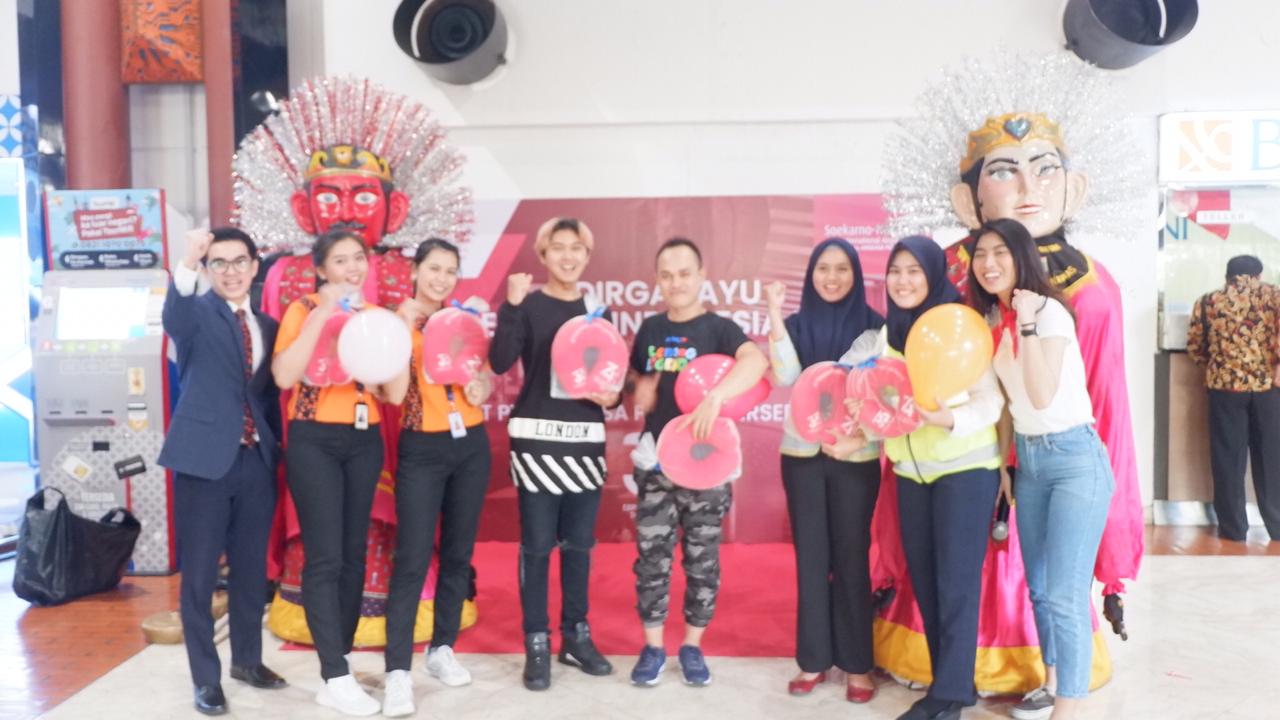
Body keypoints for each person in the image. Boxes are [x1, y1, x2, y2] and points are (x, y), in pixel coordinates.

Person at [968, 218, 1115, 719]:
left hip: (1076, 460)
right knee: (1039, 584)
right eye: (981, 254)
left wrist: (1027, 321)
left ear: (1022, 258)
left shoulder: (1047, 312)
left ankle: (1068, 709)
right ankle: (1053, 682)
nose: (988, 264)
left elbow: (1041, 392)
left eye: (1001, 254)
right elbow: (1009, 405)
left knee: (1065, 592)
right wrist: (1005, 464)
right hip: (1029, 462)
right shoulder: (992, 321)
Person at [271, 228, 410, 716]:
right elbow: (285, 377)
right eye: (341, 260)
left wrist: (398, 340)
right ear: (321, 268)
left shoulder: (376, 317)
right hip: (313, 440)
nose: (352, 268)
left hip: (363, 439)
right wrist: (326, 315)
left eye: (359, 259)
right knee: (325, 557)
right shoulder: (303, 310)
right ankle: (332, 671)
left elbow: (393, 393)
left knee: (353, 556)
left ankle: (341, 665)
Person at [627, 237, 769, 688]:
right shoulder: (649, 329)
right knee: (652, 561)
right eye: (666, 275)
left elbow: (756, 361)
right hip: (656, 467)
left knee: (701, 562)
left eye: (684, 273)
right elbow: (635, 378)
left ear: (702, 276)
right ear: (657, 280)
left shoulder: (720, 329)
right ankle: (652, 648)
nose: (676, 283)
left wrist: (717, 394)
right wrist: (638, 389)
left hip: (707, 468)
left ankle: (692, 645)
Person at [159, 227, 286, 716]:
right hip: (203, 461)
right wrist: (188, 261)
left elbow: (267, 395)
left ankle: (248, 662)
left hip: (255, 461)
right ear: (209, 269)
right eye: (220, 263)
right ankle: (206, 680)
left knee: (253, 572)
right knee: (200, 576)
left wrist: (274, 451)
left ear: (255, 267)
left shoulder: (269, 326)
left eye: (239, 262)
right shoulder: (194, 314)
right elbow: (174, 312)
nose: (230, 271)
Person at [877, 237, 1004, 720]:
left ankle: (947, 696)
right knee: (927, 584)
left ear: (934, 273)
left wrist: (945, 421)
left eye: (914, 270)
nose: (904, 280)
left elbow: (989, 402)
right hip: (912, 474)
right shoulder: (885, 333)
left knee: (956, 584)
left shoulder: (959, 324)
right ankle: (953, 684)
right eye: (895, 271)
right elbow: (879, 398)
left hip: (965, 471)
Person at [489, 217, 617, 691]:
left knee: (580, 545)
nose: (567, 256)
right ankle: (537, 641)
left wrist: (613, 397)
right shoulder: (528, 305)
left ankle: (576, 637)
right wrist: (511, 306)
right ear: (542, 257)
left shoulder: (597, 312)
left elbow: (609, 379)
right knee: (538, 546)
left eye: (576, 248)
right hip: (538, 439)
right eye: (557, 248)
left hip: (584, 440)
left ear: (587, 256)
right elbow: (500, 360)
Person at [764, 238, 883, 703]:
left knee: (852, 559)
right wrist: (774, 314)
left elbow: (884, 396)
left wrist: (862, 439)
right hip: (801, 457)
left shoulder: (877, 329)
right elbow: (786, 377)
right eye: (822, 269)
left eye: (842, 269)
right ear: (810, 276)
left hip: (856, 458)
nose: (832, 278)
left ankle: (857, 664)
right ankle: (812, 659)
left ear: (856, 275)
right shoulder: (794, 324)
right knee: (811, 561)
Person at [381, 239, 494, 717]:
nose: (441, 279)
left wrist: (479, 385)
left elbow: (485, 381)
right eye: (433, 268)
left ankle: (441, 649)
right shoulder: (392, 323)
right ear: (415, 270)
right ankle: (397, 673)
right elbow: (392, 394)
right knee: (411, 558)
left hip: (470, 443)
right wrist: (405, 330)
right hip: (421, 448)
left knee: (457, 553)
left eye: (450, 270)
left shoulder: (462, 322)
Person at [1186, 254, 1280, 542]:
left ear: (1227, 277)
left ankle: (1233, 529)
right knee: (1272, 459)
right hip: (1268, 390)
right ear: (1259, 274)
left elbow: (1196, 348)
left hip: (1225, 389)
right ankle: (1277, 526)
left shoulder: (1208, 301)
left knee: (1228, 459)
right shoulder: (1275, 296)